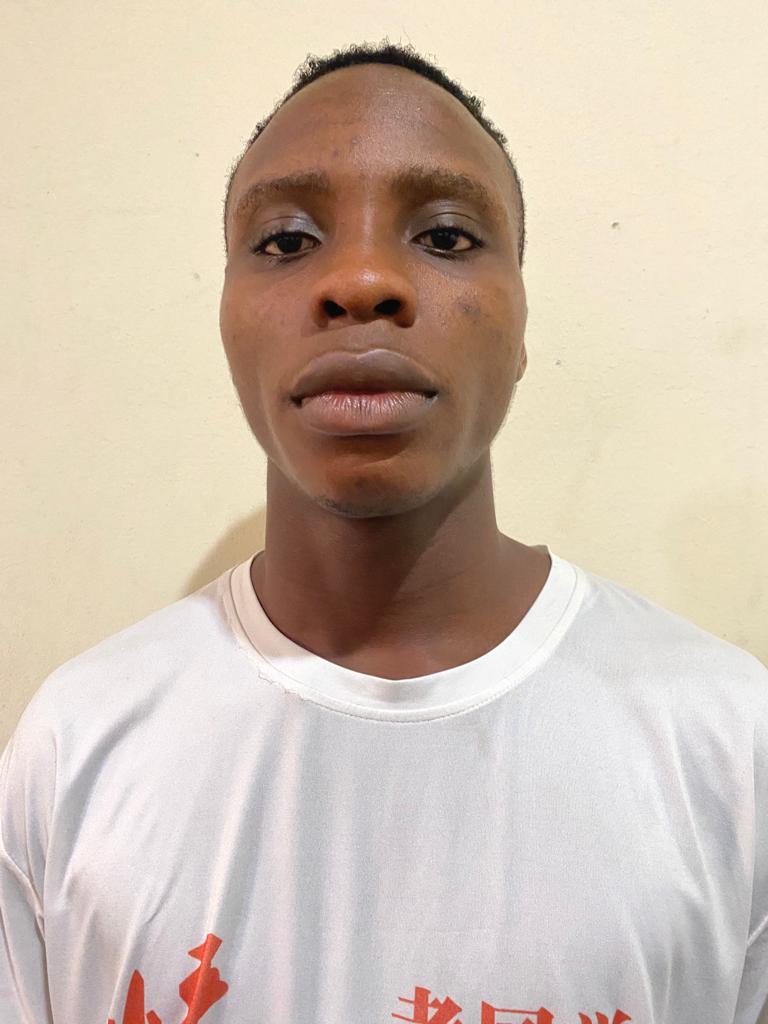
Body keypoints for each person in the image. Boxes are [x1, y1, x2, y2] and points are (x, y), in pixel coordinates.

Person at [1, 40, 766, 1024]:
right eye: (286, 241)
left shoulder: (729, 745)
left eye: (445, 235)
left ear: (521, 325)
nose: (362, 279)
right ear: (227, 319)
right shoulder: (76, 746)